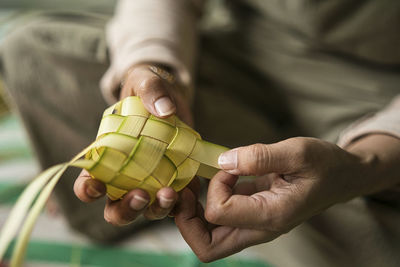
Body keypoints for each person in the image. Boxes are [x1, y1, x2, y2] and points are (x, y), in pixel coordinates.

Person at [1, 0, 399, 266]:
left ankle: (307, 190)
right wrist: (153, 67)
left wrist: (367, 163)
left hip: (376, 93)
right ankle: (210, 187)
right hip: (241, 47)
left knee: (358, 226)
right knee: (33, 51)